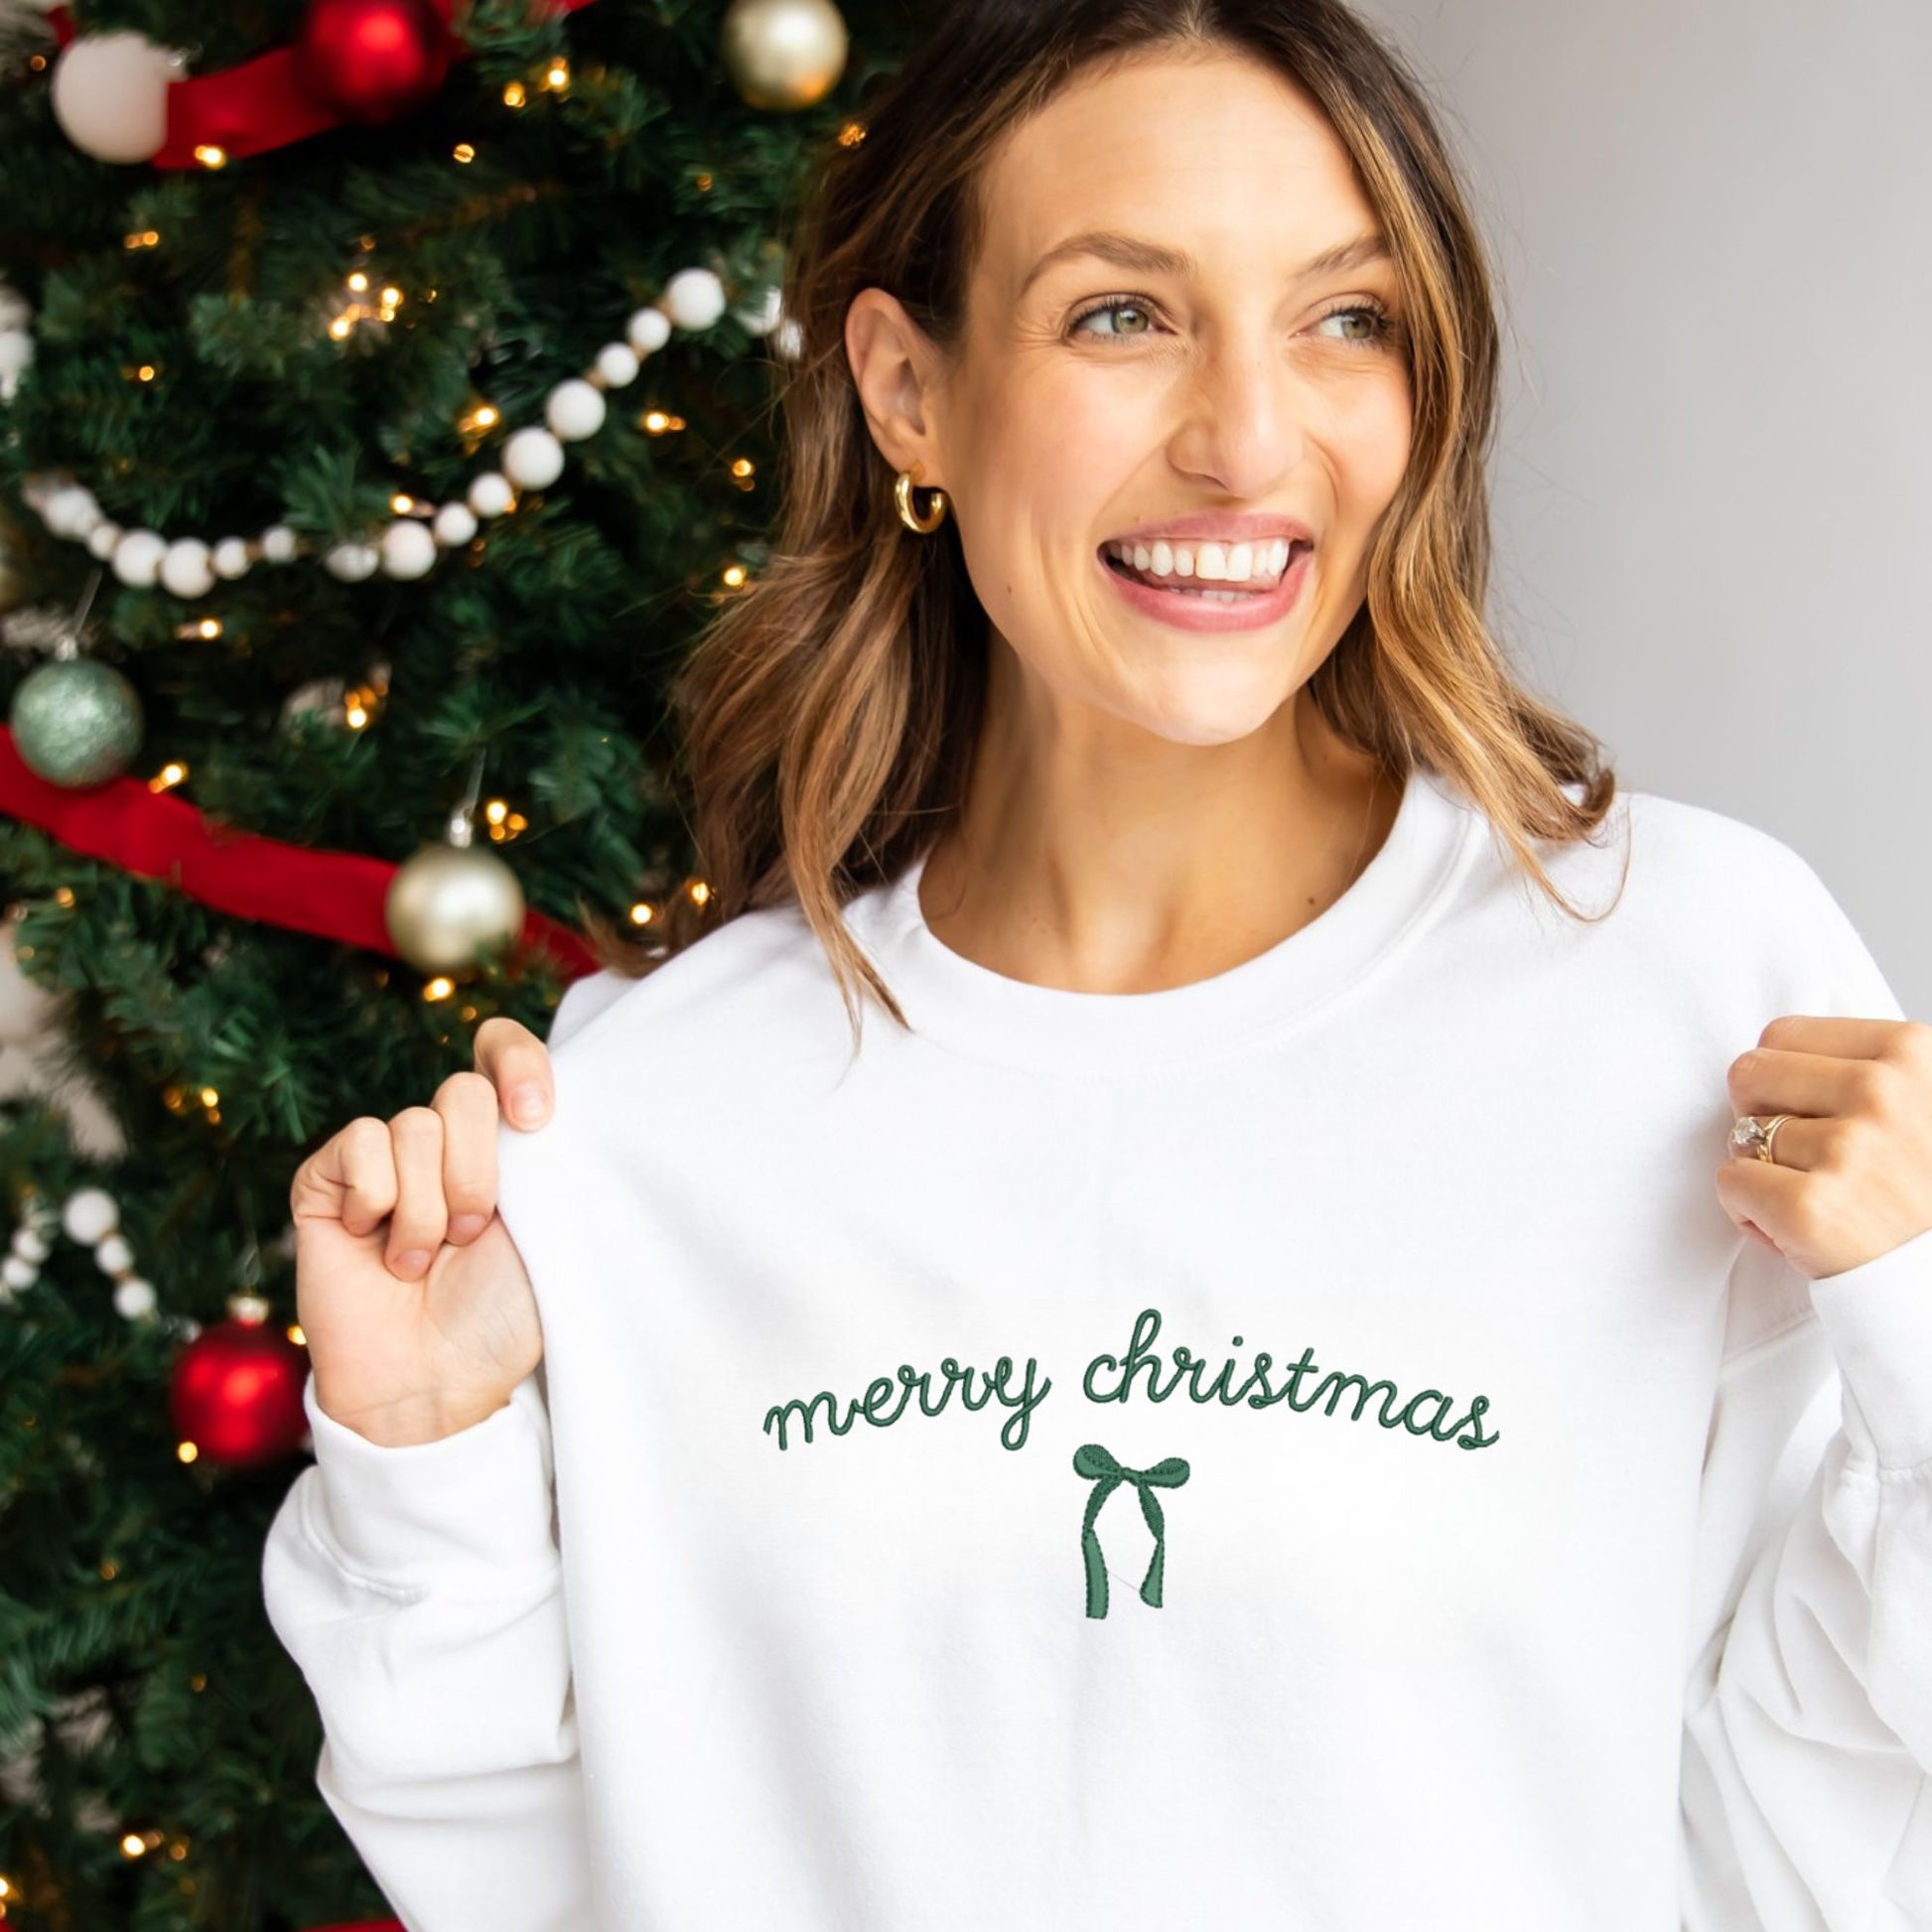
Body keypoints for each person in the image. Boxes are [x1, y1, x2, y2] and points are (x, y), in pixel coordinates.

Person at [264, 2, 1932, 1927]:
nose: (1247, 441)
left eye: (1346, 317)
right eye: (1122, 314)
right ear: (908, 389)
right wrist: (424, 1460)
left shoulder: (1680, 986)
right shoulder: (653, 1109)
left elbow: (1815, 1834)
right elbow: (562, 1885)